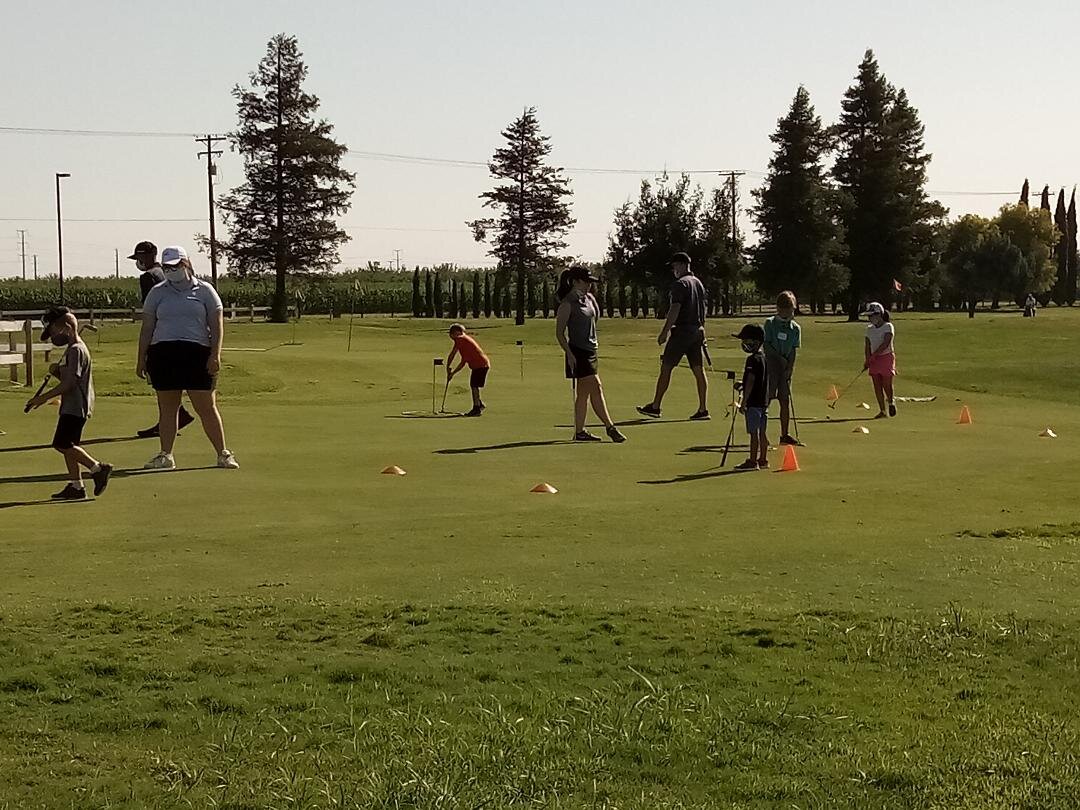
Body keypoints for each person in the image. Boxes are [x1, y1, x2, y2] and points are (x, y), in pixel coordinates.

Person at [137, 246, 239, 470]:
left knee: (206, 407)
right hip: (163, 353)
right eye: (167, 267)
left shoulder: (205, 290)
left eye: (175, 266)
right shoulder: (158, 292)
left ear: (186, 264)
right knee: (167, 408)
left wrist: (215, 354)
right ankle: (166, 455)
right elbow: (147, 328)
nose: (172, 270)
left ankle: (223, 453)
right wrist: (141, 358)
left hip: (197, 353)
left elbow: (216, 324)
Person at [25, 308, 113, 500]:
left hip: (76, 406)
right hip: (72, 405)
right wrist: (57, 371)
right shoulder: (73, 349)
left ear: (65, 327)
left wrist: (43, 398)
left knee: (61, 444)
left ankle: (97, 468)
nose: (52, 337)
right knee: (70, 446)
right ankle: (76, 486)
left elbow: (70, 383)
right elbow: (69, 377)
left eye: (53, 331)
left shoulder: (76, 350)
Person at [129, 241, 194, 438]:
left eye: (139, 257)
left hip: (159, 336)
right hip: (177, 334)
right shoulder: (164, 274)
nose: (138, 262)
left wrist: (147, 346)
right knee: (169, 382)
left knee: (161, 383)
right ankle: (177, 415)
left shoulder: (149, 277)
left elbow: (151, 311)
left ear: (149, 256)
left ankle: (170, 419)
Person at [555, 266, 627, 443]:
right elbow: (559, 333)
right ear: (575, 282)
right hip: (577, 352)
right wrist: (569, 354)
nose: (589, 285)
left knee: (584, 393)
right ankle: (610, 427)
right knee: (596, 386)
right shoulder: (567, 304)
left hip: (591, 350)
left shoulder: (590, 299)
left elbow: (595, 319)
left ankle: (579, 432)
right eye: (586, 282)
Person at [637, 252, 709, 421]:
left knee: (667, 367)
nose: (673, 269)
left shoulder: (680, 284)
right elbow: (703, 309)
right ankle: (703, 409)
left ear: (683, 265)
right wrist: (703, 329)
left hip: (682, 331)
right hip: (697, 331)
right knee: (698, 370)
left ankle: (655, 406)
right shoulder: (698, 283)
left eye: (675, 266)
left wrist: (664, 331)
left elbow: (675, 309)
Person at [763, 290, 802, 445]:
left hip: (785, 368)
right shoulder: (770, 323)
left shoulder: (795, 328)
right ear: (779, 309)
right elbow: (767, 345)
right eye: (787, 309)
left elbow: (793, 349)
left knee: (784, 400)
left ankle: (784, 435)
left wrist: (789, 368)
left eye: (792, 309)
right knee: (767, 399)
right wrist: (780, 360)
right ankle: (762, 435)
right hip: (771, 365)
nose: (790, 312)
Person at [732, 324, 768, 470]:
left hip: (753, 402)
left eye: (747, 341)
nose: (745, 344)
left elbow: (752, 381)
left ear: (756, 342)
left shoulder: (752, 360)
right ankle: (763, 459)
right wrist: (743, 383)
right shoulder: (764, 358)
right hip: (763, 402)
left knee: (753, 433)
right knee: (762, 432)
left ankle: (753, 462)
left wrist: (744, 401)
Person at [446, 323, 490, 417]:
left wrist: (451, 371)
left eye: (452, 334)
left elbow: (457, 358)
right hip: (481, 364)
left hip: (480, 365)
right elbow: (458, 358)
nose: (451, 337)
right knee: (474, 385)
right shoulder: (462, 340)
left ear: (456, 332)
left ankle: (476, 409)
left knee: (474, 385)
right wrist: (450, 370)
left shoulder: (461, 339)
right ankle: (479, 404)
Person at [863, 301, 897, 419]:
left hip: (886, 357)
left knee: (886, 384)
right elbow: (867, 345)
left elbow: (886, 343)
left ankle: (891, 402)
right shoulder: (869, 329)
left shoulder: (888, 326)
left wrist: (874, 355)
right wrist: (867, 359)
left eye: (872, 315)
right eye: (869, 316)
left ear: (879, 314)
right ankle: (882, 410)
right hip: (874, 360)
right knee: (877, 385)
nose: (870, 318)